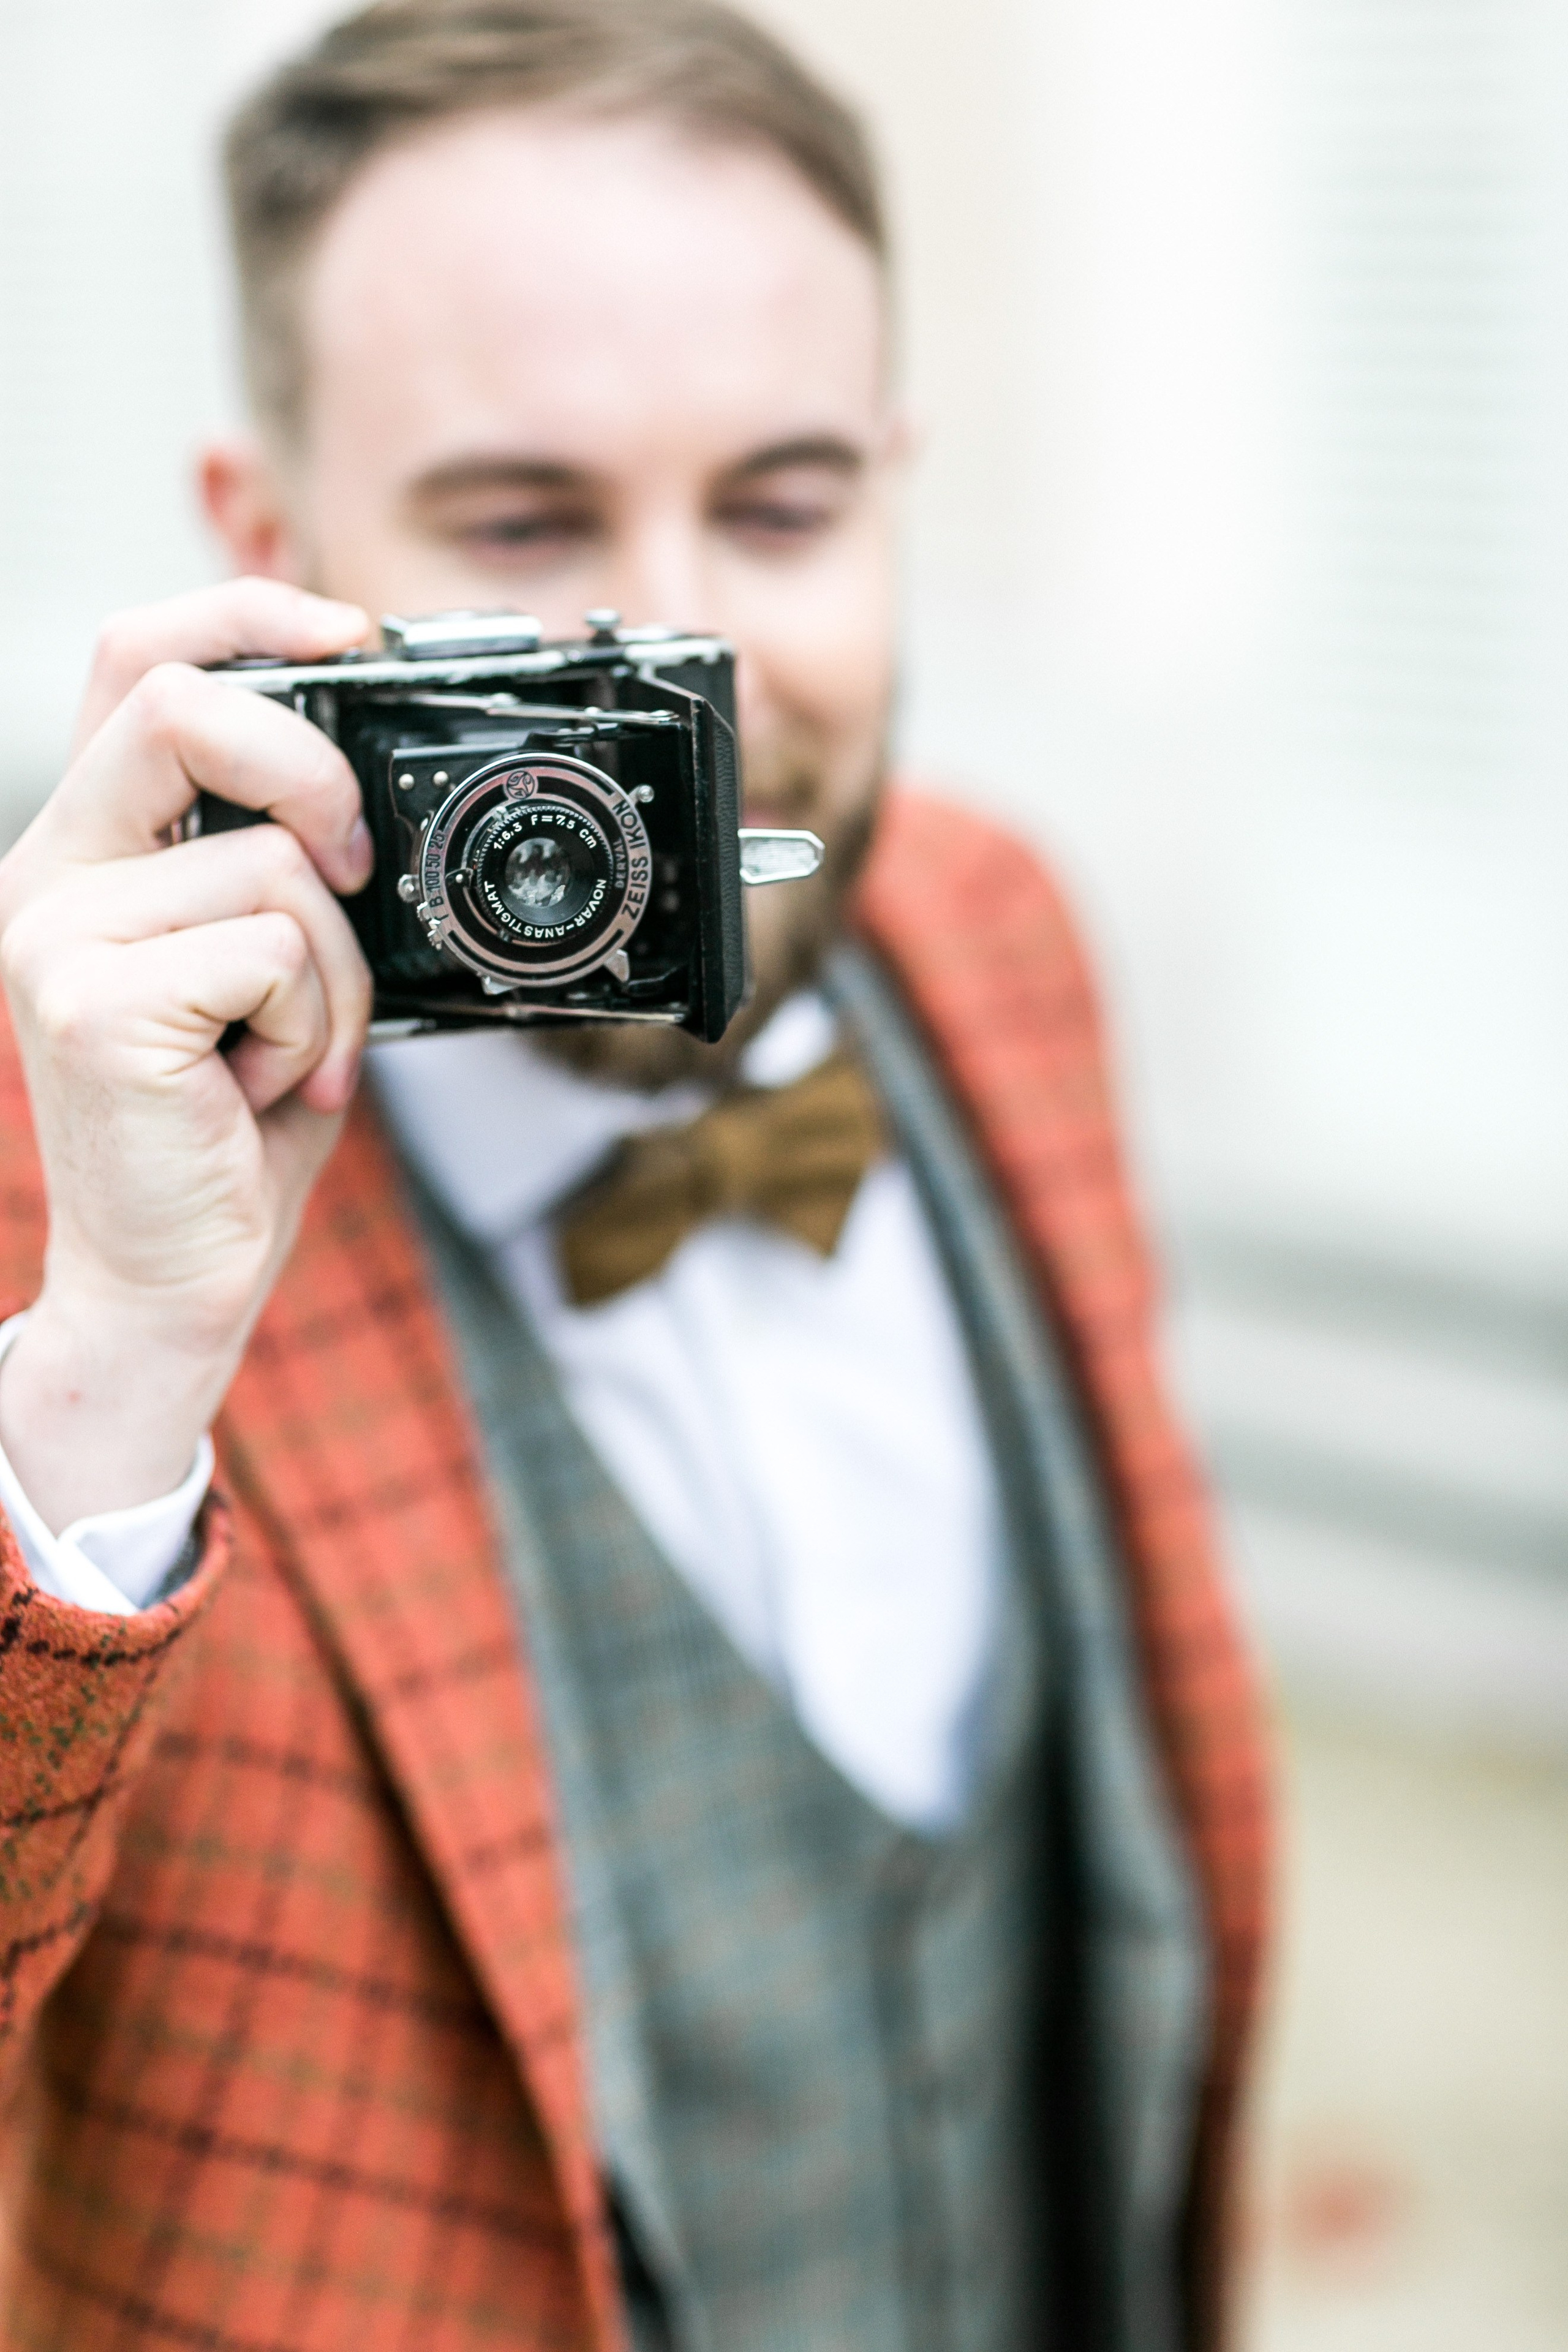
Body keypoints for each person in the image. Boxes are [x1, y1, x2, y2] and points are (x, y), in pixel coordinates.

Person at [0, 3, 1269, 2346]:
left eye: (781, 505)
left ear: (895, 486)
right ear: (269, 558)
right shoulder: (57, 1190)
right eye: (523, 521)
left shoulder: (999, 934)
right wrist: (110, 1377)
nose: (690, 654)